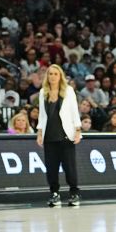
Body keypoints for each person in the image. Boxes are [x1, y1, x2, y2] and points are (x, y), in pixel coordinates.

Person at [36, 64, 81, 207]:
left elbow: (74, 111)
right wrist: (40, 132)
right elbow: (42, 115)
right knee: (51, 168)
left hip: (66, 135)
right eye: (50, 74)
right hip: (50, 136)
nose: (53, 76)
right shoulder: (43, 92)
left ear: (60, 76)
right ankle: (54, 194)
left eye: (56, 74)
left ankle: (74, 193)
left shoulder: (68, 91)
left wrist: (78, 130)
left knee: (70, 167)